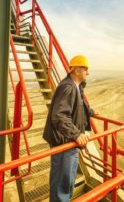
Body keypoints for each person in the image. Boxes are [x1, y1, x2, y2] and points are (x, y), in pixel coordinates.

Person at [43, 55, 96, 202]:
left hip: (69, 142)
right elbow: (59, 115)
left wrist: (91, 112)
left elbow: (79, 106)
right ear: (77, 70)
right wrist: (76, 134)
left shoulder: (76, 86)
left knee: (68, 182)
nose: (88, 73)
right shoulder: (68, 87)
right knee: (62, 184)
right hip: (63, 143)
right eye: (86, 69)